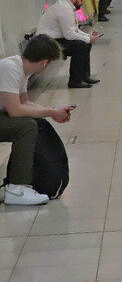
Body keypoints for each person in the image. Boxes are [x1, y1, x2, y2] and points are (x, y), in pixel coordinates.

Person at [0, 34, 73, 205]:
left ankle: (17, 184)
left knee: (33, 123)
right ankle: (16, 189)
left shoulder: (20, 68)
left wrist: (53, 111)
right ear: (44, 62)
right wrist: (51, 112)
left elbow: (24, 102)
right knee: (26, 127)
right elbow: (15, 110)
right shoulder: (10, 68)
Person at [36, 0, 102, 88]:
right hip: (46, 42)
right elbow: (69, 35)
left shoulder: (68, 6)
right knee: (80, 45)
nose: (82, 2)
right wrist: (88, 39)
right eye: (81, 0)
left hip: (55, 38)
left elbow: (74, 29)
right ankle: (75, 81)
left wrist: (87, 36)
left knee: (85, 43)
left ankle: (84, 76)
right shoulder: (64, 9)